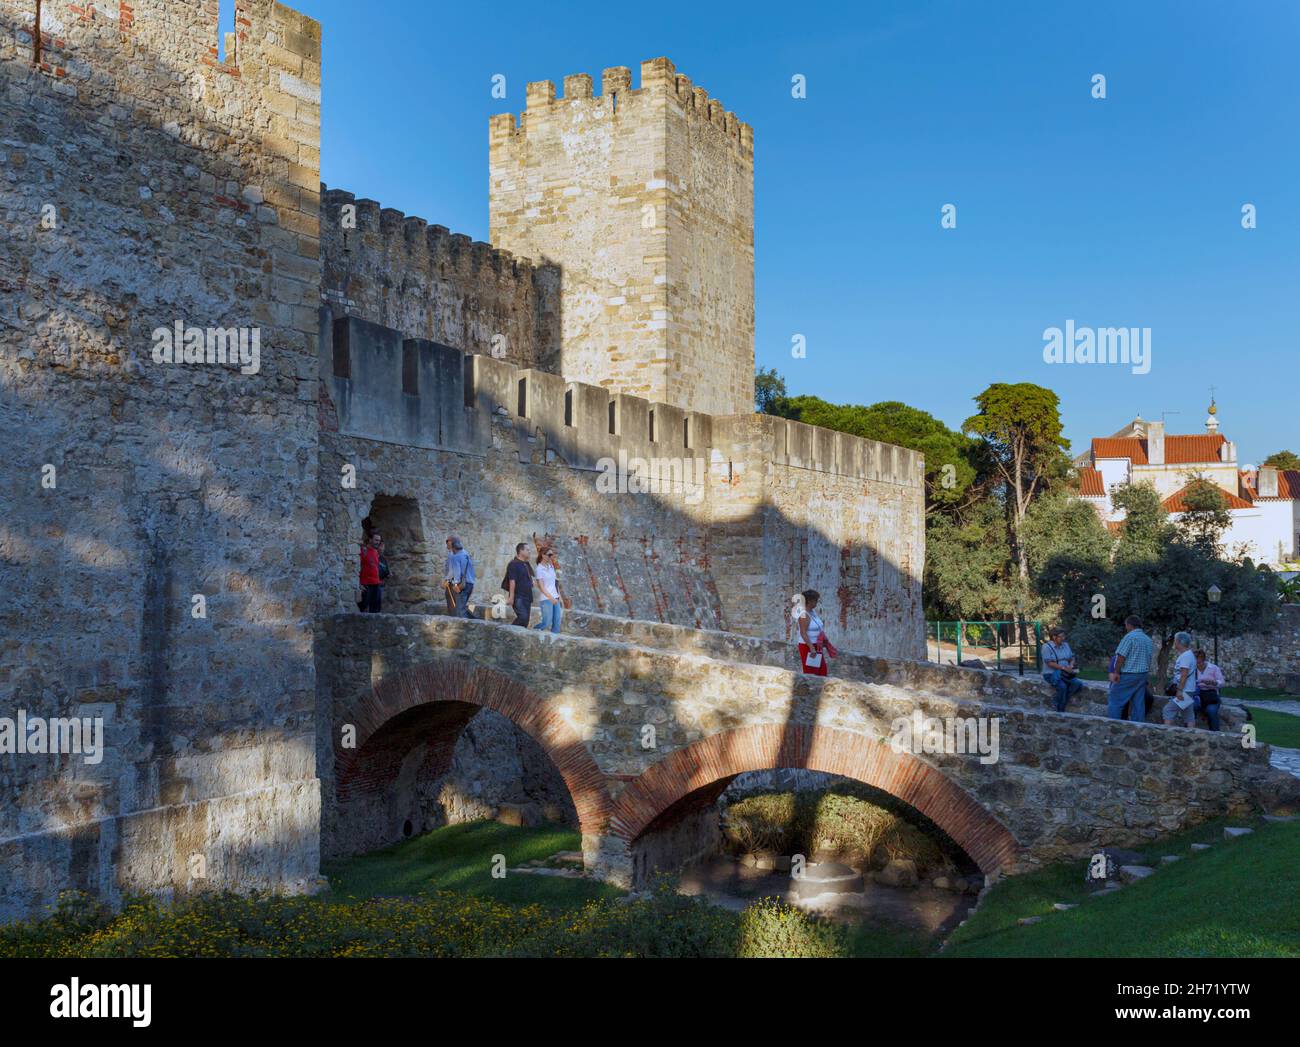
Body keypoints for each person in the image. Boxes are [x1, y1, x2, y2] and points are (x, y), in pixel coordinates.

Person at [1107, 614, 1153, 721]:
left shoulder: (1129, 637)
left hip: (1129, 675)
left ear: (1129, 625)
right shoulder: (1148, 640)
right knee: (1138, 704)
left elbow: (1120, 657)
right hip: (1142, 675)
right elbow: (1149, 659)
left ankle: (1113, 726)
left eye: (1125, 625)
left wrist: (1116, 673)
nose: (1125, 628)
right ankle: (1138, 728)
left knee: (1115, 699)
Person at [794, 589, 838, 676]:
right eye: (815, 600)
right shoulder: (804, 615)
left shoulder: (812, 612)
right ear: (809, 601)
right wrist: (811, 648)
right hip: (808, 647)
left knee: (822, 671)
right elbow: (803, 632)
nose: (817, 602)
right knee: (812, 673)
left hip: (816, 646)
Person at [1041, 626, 1084, 712]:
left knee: (1078, 684)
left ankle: (1057, 700)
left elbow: (1072, 657)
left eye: (1064, 636)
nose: (1063, 638)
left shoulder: (1066, 645)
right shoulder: (1046, 647)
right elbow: (1049, 663)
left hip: (1065, 673)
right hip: (1051, 673)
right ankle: (1060, 709)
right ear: (1054, 637)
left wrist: (1071, 665)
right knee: (1062, 687)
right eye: (1061, 636)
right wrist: (1063, 667)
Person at [1163, 632, 1198, 728]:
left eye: (1175, 641)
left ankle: (1166, 733)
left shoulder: (1186, 656)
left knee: (1168, 710)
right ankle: (1192, 736)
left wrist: (1179, 691)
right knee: (1188, 715)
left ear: (1179, 642)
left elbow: (1184, 675)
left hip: (1184, 691)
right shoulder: (1189, 655)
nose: (1174, 643)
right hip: (1189, 690)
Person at [533, 546, 564, 634]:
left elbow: (554, 583)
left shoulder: (551, 566)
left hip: (555, 597)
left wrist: (558, 597)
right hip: (546, 598)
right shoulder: (539, 569)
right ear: (543, 555)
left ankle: (554, 642)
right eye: (549, 555)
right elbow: (541, 587)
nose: (551, 556)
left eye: (552, 555)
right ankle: (533, 631)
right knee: (546, 623)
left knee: (557, 623)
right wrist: (551, 598)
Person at [444, 535, 475, 618]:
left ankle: (466, 627)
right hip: (470, 584)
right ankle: (475, 621)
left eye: (450, 547)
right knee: (462, 608)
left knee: (459, 611)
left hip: (462, 585)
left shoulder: (455, 557)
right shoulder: (466, 554)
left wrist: (455, 584)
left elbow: (457, 573)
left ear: (453, 547)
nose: (450, 550)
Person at [1193, 649, 1224, 731]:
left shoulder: (1213, 668)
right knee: (1191, 707)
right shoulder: (1192, 669)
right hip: (1197, 696)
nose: (1198, 665)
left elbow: (1222, 683)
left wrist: (1214, 683)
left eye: (1199, 662)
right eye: (1196, 663)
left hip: (1211, 696)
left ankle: (1215, 734)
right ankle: (1190, 730)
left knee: (1211, 711)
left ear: (1203, 660)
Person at [504, 542, 534, 627]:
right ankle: (508, 631)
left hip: (527, 597)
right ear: (521, 551)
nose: (529, 551)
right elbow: (512, 581)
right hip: (518, 597)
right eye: (527, 550)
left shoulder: (525, 564)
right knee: (523, 617)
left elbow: (527, 578)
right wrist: (511, 597)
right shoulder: (513, 564)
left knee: (525, 622)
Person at [358, 531, 383, 613]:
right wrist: (359, 584)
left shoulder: (376, 552)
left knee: (376, 609)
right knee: (364, 608)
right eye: (376, 540)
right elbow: (356, 567)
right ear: (370, 540)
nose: (378, 542)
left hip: (376, 584)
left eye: (379, 540)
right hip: (366, 584)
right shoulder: (363, 551)